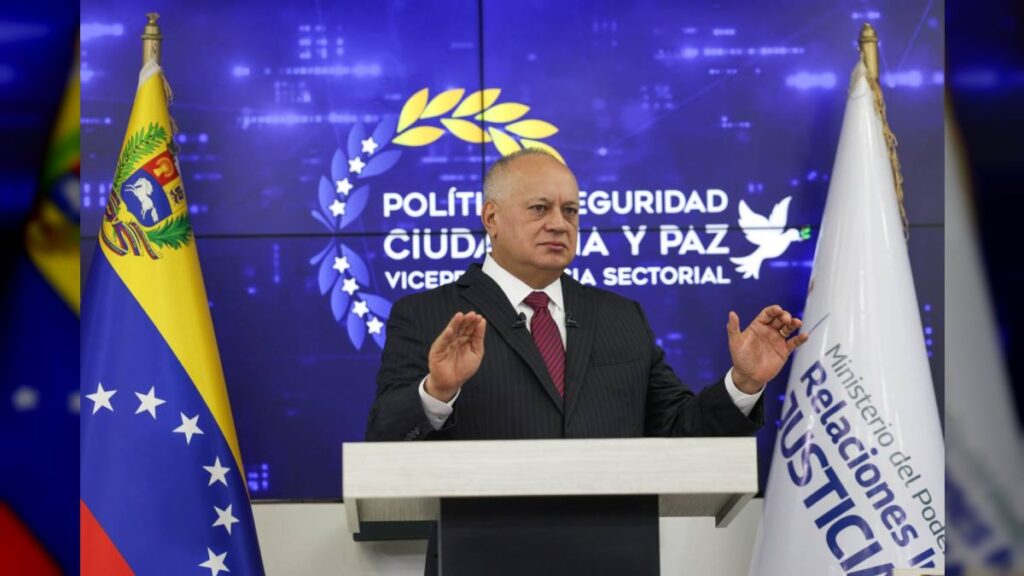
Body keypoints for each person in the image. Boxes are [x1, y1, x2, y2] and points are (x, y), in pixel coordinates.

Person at [365, 149, 808, 442]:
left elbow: (680, 431)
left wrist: (745, 383)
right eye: (540, 208)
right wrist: (438, 390)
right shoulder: (427, 315)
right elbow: (385, 437)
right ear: (491, 217)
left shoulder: (621, 317)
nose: (559, 224)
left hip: (612, 550)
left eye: (570, 211)